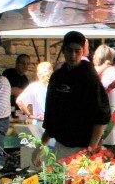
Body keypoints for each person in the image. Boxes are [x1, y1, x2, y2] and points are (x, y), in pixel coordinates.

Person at [41, 31, 110, 161]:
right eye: (69, 50)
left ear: (83, 51)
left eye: (77, 51)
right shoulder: (57, 77)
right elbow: (51, 114)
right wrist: (41, 145)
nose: (73, 55)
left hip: (83, 148)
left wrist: (91, 149)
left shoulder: (89, 77)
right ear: (63, 50)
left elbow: (101, 116)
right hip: (61, 145)